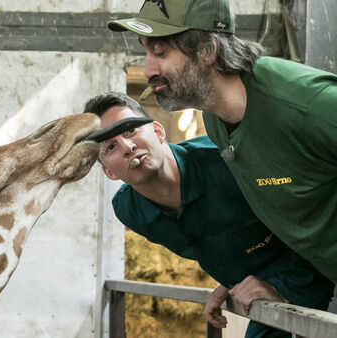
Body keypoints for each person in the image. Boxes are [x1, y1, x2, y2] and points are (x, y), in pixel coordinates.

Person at [106, 0, 337, 311]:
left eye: (160, 53)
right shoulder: (216, 121)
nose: (149, 70)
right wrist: (246, 278)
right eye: (147, 53)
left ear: (207, 50)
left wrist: (287, 287)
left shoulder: (305, 105)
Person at [83, 91, 333, 337]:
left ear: (158, 132)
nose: (128, 146)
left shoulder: (228, 160)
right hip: (261, 287)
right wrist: (230, 280)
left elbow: (317, 216)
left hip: (316, 265)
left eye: (130, 130)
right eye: (111, 147)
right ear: (109, 172)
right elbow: (217, 239)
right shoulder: (131, 211)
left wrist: (283, 289)